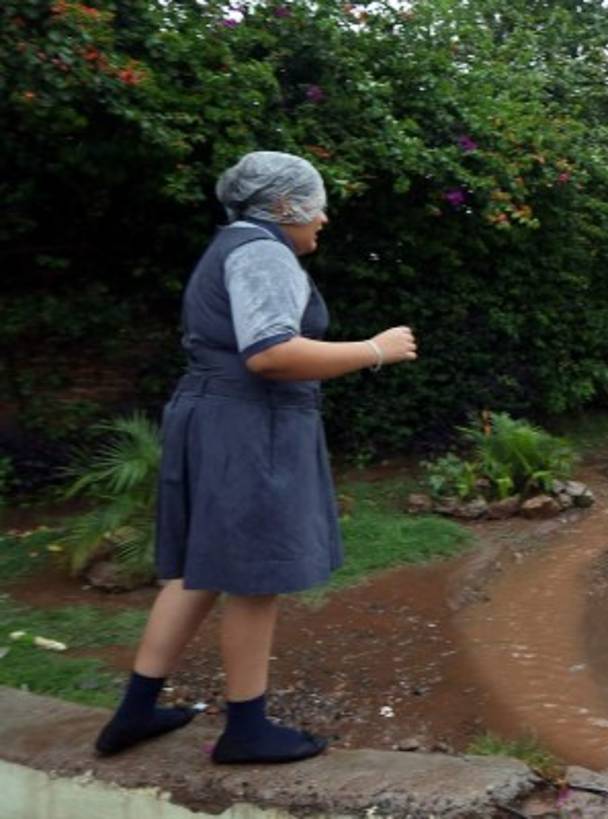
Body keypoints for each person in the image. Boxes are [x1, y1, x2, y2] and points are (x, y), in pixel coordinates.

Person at [93, 151, 417, 764]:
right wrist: (374, 349)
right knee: (254, 573)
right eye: (317, 205)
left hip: (214, 414)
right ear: (287, 206)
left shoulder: (235, 244)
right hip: (248, 425)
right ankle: (246, 728)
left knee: (201, 569)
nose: (324, 219)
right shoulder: (264, 250)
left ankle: (134, 713)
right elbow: (271, 352)